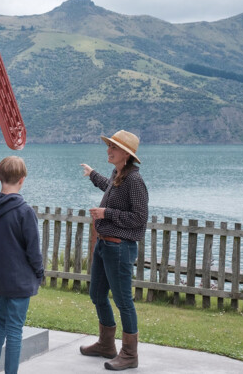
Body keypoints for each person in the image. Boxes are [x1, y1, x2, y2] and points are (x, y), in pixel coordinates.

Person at [78, 130, 148, 371]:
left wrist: (106, 213)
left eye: (114, 148)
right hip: (104, 245)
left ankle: (129, 354)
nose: (109, 150)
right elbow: (110, 189)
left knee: (123, 301)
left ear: (126, 155)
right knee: (97, 295)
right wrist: (93, 175)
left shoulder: (135, 181)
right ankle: (106, 344)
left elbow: (139, 218)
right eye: (109, 146)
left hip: (120, 248)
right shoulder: (118, 175)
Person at [0, 156, 44, 374]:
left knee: (1, 323)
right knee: (15, 329)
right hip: (20, 280)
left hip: (1, 277)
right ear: (22, 180)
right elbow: (33, 251)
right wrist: (39, 272)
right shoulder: (24, 211)